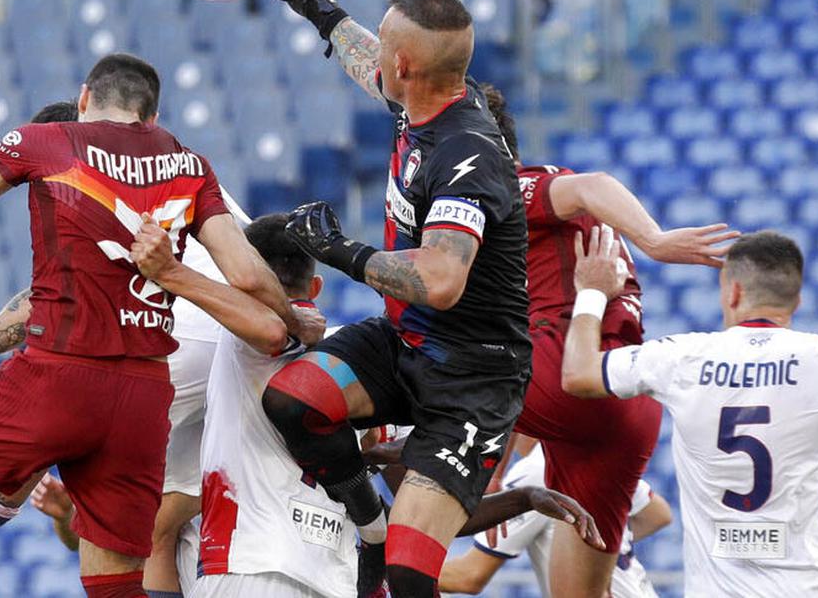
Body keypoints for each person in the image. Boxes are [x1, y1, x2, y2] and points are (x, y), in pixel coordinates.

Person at [0, 53, 308, 598]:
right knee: (116, 579)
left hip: (62, 372)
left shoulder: (47, 141)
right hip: (145, 392)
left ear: (85, 99)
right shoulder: (191, 166)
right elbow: (249, 274)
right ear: (153, 115)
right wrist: (293, 317)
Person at [130, 214, 602, 598]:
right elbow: (423, 510)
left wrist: (524, 497)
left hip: (272, 571)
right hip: (296, 571)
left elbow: (421, 510)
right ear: (315, 288)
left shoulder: (282, 353)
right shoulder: (341, 370)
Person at [265, 0, 531, 598]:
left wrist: (338, 250)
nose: (377, 56)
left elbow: (441, 281)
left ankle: (391, 546)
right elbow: (370, 65)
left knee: (412, 580)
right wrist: (317, 8)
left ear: (405, 65)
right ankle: (370, 526)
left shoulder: (467, 155)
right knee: (294, 400)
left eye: (387, 46)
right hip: (406, 343)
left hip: (473, 377)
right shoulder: (427, 96)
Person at [480, 84, 737, 596]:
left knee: (403, 356)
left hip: (570, 377)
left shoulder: (513, 187)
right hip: (621, 402)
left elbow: (591, 183)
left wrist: (655, 240)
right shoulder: (543, 227)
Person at [561, 228, 818, 597]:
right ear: (796, 302)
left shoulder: (683, 356)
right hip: (809, 587)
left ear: (732, 292)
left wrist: (590, 292)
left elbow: (578, 374)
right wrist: (801, 427)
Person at [438, 438, 672, 598]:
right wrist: (592, 547)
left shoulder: (537, 469)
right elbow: (658, 515)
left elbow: (469, 576)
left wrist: (407, 568)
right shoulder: (588, 453)